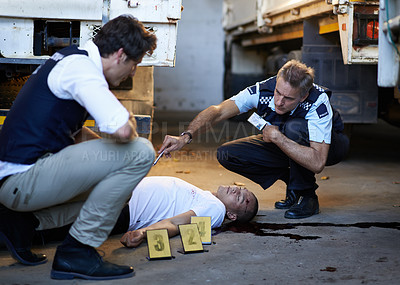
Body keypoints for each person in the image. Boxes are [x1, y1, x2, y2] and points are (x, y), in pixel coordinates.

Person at [0, 15, 157, 280]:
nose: (133, 72)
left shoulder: (72, 58)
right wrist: (125, 149)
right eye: (135, 64)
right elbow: (122, 129)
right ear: (120, 55)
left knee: (121, 193)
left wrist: (115, 168)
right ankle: (78, 250)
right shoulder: (81, 68)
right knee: (141, 152)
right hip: (22, 181)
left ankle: (23, 223)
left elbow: (76, 135)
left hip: (19, 179)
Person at [159, 60, 349, 220]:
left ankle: (307, 196)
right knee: (227, 153)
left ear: (303, 95)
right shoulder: (263, 90)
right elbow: (218, 112)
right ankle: (293, 184)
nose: (279, 102)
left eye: (288, 98)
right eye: (278, 93)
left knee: (294, 128)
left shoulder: (317, 102)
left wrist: (277, 138)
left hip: (329, 147)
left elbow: (317, 163)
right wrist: (185, 137)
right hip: (285, 139)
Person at [114, 176, 259, 248]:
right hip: (120, 190)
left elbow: (176, 224)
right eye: (240, 189)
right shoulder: (208, 197)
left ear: (232, 215)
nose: (236, 190)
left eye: (239, 197)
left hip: (121, 207)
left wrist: (143, 232)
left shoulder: (216, 209)